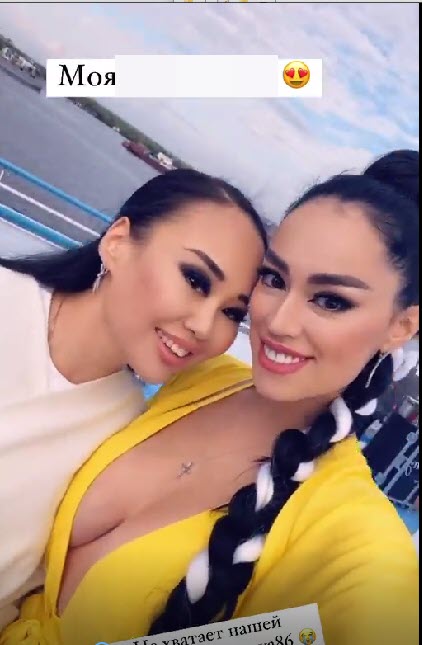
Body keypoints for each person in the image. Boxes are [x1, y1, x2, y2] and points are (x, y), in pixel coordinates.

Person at [1, 150, 419, 645]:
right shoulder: (200, 377)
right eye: (274, 279)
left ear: (401, 326)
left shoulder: (352, 533)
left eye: (331, 300)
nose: (278, 321)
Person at [0, 169, 267, 628]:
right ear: (117, 242)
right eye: (196, 279)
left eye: (232, 312)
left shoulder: (126, 434)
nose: (204, 326)